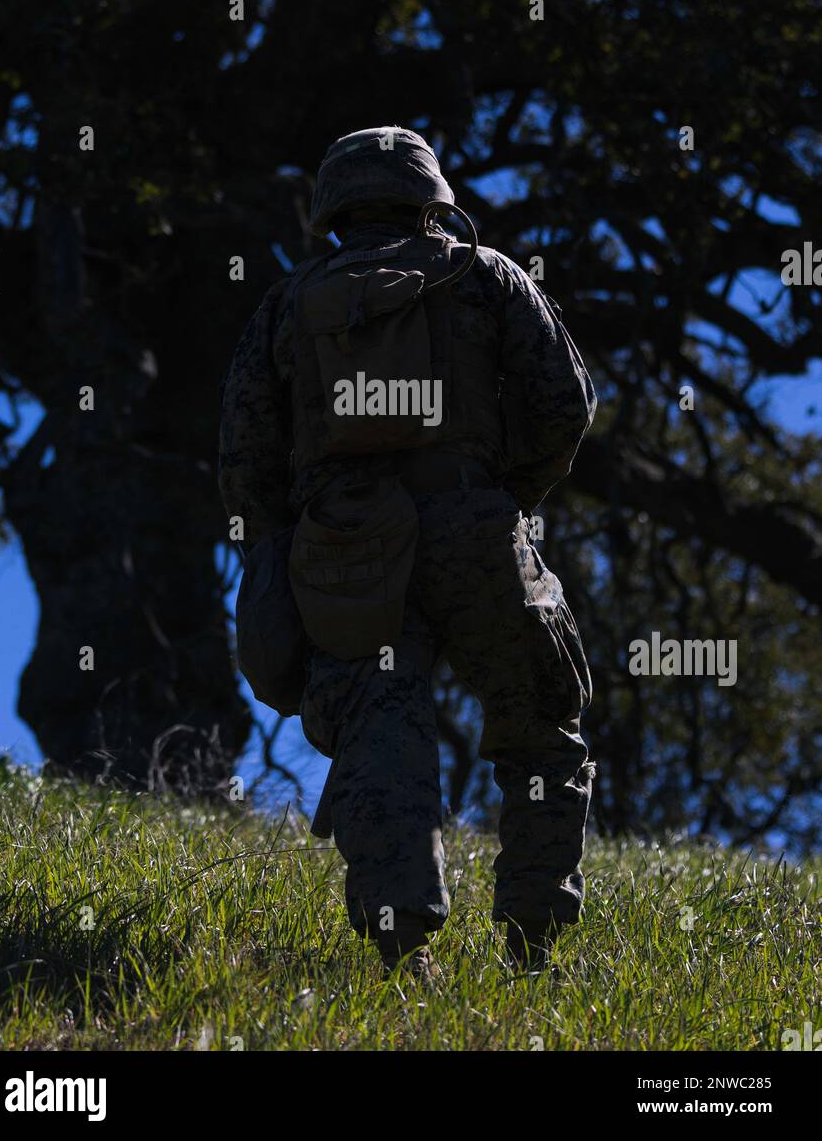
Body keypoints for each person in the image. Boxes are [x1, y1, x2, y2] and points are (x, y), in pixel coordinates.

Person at [219, 126, 597, 978]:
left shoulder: (287, 302)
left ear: (332, 209)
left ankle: (403, 955)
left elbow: (244, 458)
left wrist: (297, 534)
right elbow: (565, 405)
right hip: (474, 525)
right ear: (433, 199)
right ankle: (531, 944)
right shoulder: (486, 275)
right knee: (540, 731)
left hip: (345, 542)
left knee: (381, 733)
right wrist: (500, 495)